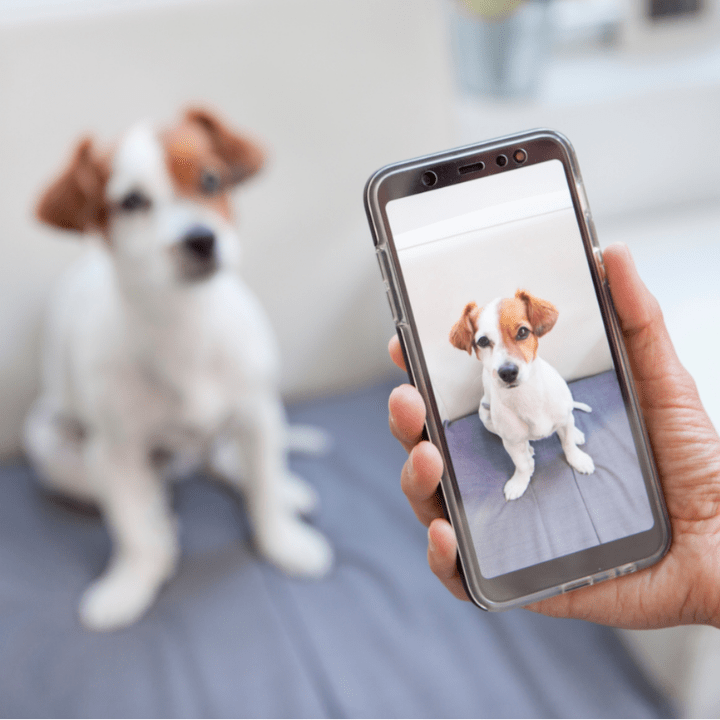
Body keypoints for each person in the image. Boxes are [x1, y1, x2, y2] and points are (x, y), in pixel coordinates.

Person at [387, 242, 720, 629]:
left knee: (564, 419)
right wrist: (521, 467)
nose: (506, 361)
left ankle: (569, 443)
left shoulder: (554, 384)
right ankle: (524, 470)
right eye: (486, 343)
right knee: (506, 433)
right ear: (474, 346)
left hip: (554, 408)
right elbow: (511, 435)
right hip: (505, 417)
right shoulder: (494, 391)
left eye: (521, 334)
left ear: (537, 331)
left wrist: (570, 439)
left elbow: (561, 418)